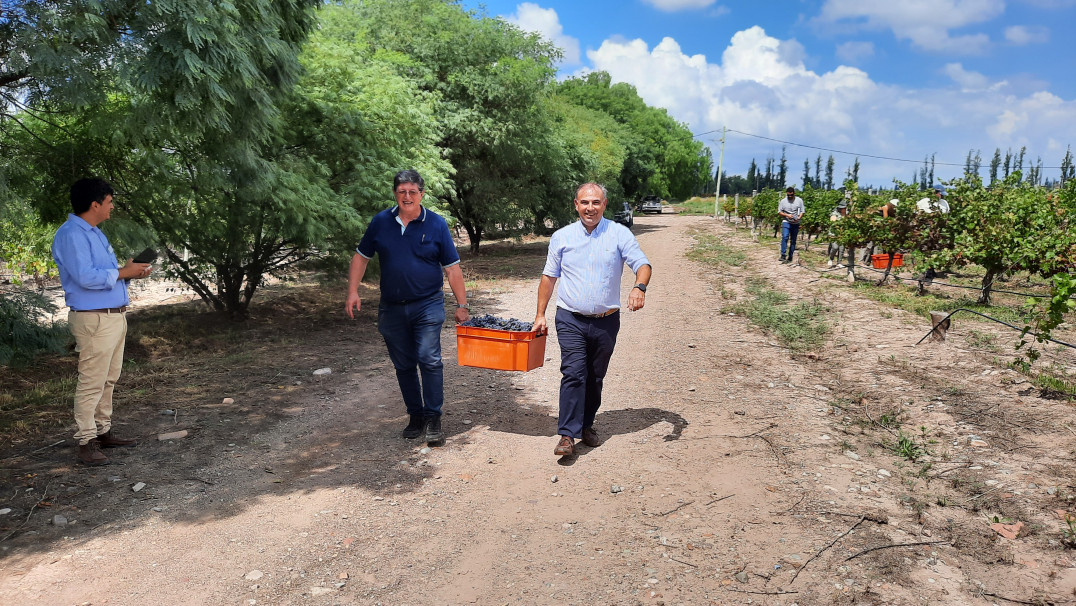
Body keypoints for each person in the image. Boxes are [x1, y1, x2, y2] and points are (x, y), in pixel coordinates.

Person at [345, 170, 469, 446]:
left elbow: (452, 269)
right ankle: (416, 416)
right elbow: (361, 258)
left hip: (428, 304)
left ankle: (434, 417)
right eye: (402, 191)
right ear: (395, 194)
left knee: (429, 358)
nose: (407, 196)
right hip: (391, 307)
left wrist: (462, 305)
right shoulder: (381, 222)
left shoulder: (436, 224)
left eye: (413, 191)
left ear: (422, 194)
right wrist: (353, 291)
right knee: (403, 365)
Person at [533, 182, 651, 457]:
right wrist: (540, 314)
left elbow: (642, 264)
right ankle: (566, 435)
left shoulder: (619, 234)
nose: (590, 207)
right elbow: (549, 277)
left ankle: (586, 425)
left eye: (596, 202)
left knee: (595, 377)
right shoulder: (562, 237)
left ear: (604, 205)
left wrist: (639, 287)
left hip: (606, 321)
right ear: (576, 205)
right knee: (573, 373)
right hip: (570, 318)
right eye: (585, 202)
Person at [52, 178, 154, 466]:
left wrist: (130, 272)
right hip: (94, 319)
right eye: (109, 202)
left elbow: (106, 276)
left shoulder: (94, 233)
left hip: (112, 315)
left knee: (108, 378)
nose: (112, 207)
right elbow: (86, 277)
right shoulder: (72, 234)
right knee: (92, 381)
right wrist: (124, 271)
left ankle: (102, 430)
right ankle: (86, 440)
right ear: (95, 203)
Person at [778, 187, 804, 263]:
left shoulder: (799, 201)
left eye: (791, 195)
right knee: (785, 237)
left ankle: (791, 256)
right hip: (786, 221)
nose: (789, 196)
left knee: (793, 240)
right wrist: (787, 215)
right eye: (788, 195)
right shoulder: (783, 201)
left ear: (794, 193)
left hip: (795, 223)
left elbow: (802, 211)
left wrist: (799, 217)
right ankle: (783, 254)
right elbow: (779, 212)